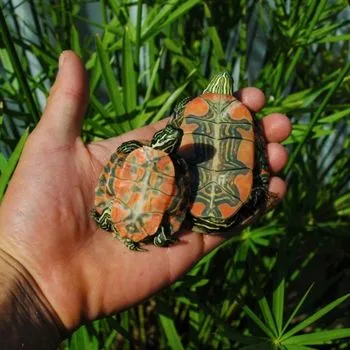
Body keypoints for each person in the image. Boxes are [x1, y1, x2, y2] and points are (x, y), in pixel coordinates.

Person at [0, 51, 291, 349]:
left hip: (174, 192)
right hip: (196, 195)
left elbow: (160, 167)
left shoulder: (177, 129)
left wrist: (22, 268)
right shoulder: (177, 158)